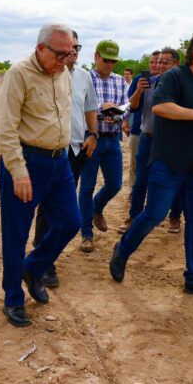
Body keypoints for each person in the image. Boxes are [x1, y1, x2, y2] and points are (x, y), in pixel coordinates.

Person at [109, 32, 193, 299]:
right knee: (154, 214)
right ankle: (123, 250)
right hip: (170, 163)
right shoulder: (173, 77)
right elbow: (160, 107)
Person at [0, 24, 81, 327]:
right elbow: (6, 129)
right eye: (60, 54)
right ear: (40, 48)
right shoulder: (18, 74)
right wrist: (18, 171)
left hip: (59, 163)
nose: (65, 59)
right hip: (26, 161)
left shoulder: (64, 73)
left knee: (71, 222)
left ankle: (33, 268)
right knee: (16, 234)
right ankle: (12, 299)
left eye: (70, 53)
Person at [31, 30, 98, 288]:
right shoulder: (44, 74)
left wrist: (93, 134)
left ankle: (45, 255)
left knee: (64, 207)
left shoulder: (83, 76)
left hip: (78, 148)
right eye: (68, 48)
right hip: (50, 148)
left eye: (77, 47)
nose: (73, 52)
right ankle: (43, 260)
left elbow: (90, 106)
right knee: (47, 207)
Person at [126, 47, 184, 233]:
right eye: (158, 62)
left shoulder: (181, 87)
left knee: (173, 179)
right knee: (140, 180)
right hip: (147, 138)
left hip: (171, 142)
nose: (159, 65)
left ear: (176, 64)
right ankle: (133, 217)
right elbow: (133, 107)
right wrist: (138, 92)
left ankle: (175, 217)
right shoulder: (149, 84)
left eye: (165, 62)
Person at [78, 39, 127, 250]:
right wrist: (102, 110)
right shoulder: (84, 78)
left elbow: (126, 106)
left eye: (113, 61)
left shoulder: (120, 80)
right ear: (96, 56)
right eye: (106, 60)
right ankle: (86, 234)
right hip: (91, 140)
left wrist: (116, 114)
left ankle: (97, 208)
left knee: (115, 184)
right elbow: (78, 105)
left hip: (112, 140)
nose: (109, 65)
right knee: (86, 187)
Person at [123, 50, 160, 227]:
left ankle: (154, 211)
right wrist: (125, 121)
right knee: (136, 167)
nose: (154, 65)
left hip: (161, 137)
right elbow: (130, 103)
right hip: (139, 130)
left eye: (157, 62)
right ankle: (133, 194)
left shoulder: (168, 81)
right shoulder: (140, 80)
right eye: (152, 62)